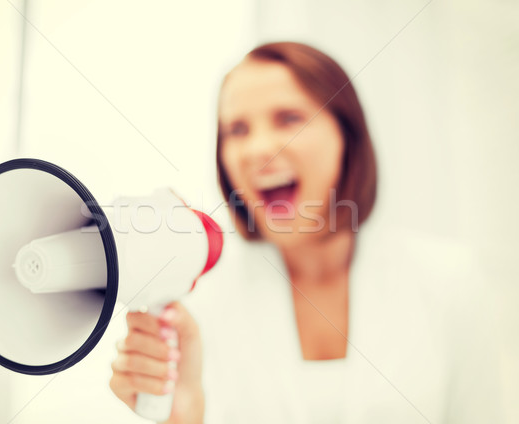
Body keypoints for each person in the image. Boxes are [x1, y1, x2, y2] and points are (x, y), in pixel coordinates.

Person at [109, 42, 502, 423]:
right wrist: (185, 420)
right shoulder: (197, 303)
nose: (258, 148)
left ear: (346, 136)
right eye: (238, 129)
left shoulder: (451, 281)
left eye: (289, 118)